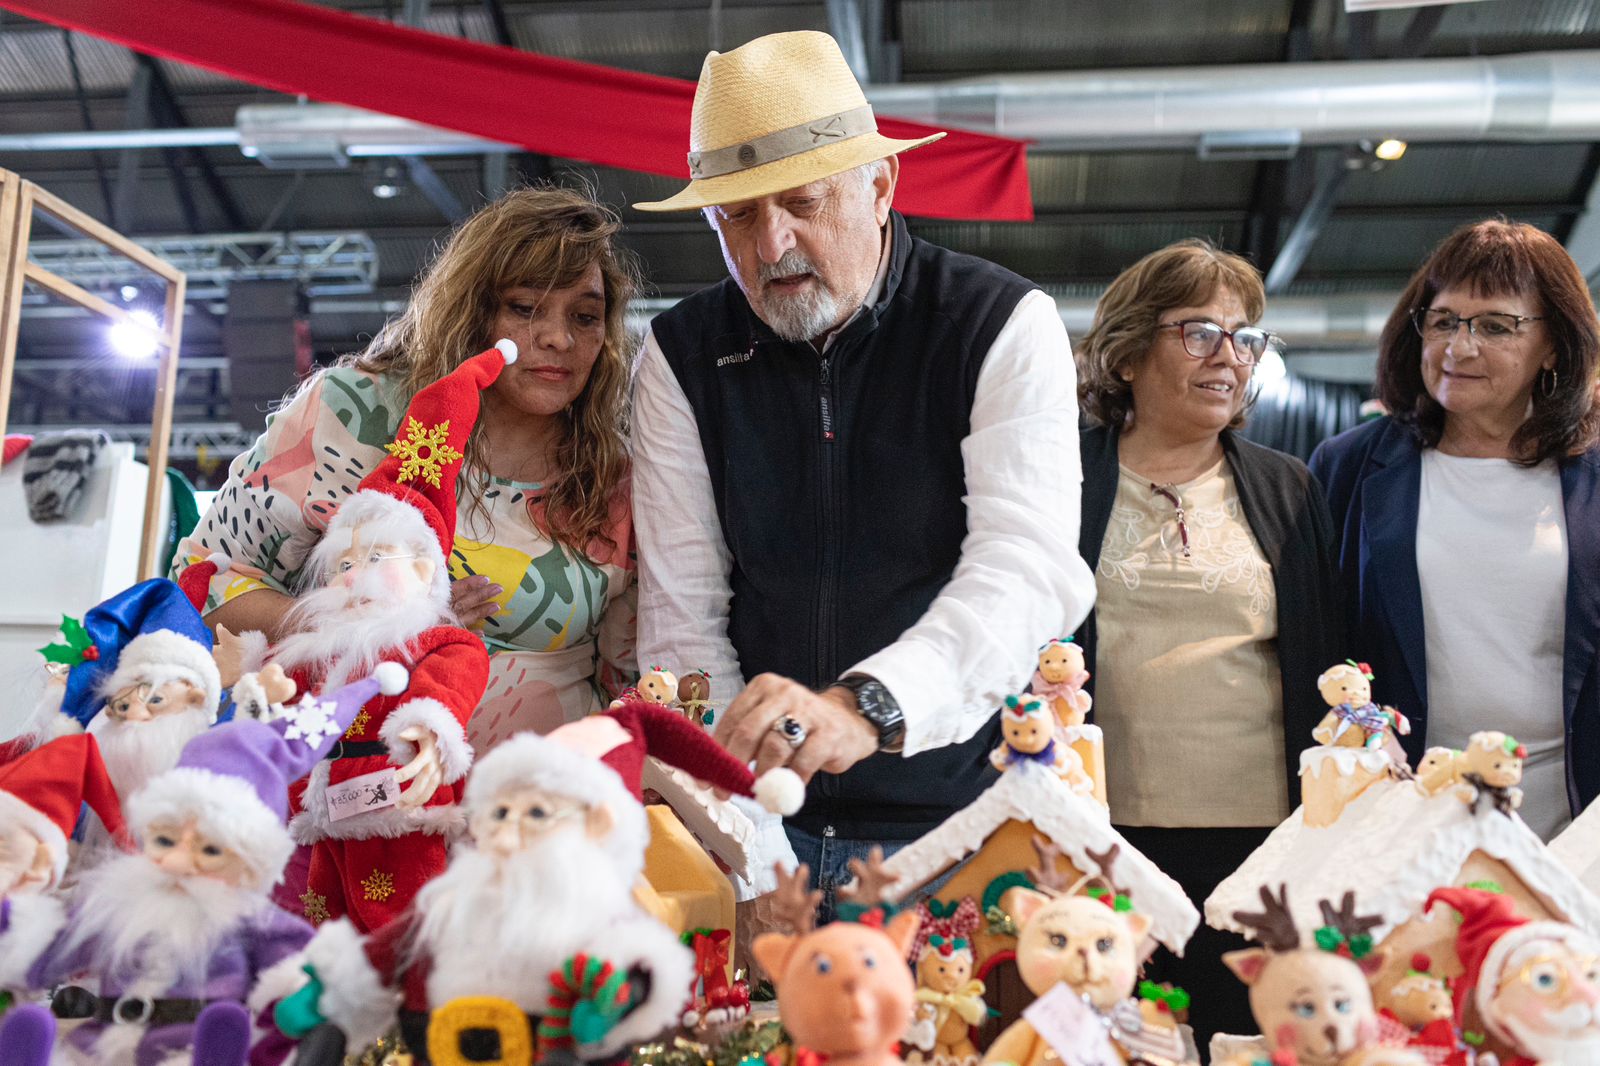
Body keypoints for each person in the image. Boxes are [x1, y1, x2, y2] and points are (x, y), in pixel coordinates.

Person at [629, 30, 1095, 914]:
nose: (772, 244)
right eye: (737, 217)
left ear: (880, 187)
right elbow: (682, 615)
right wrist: (746, 834)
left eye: (802, 203)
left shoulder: (999, 325)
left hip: (960, 823)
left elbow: (1026, 567)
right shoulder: (679, 356)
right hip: (761, 831)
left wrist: (867, 707)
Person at [174, 186, 640, 749]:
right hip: (341, 780)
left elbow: (630, 679)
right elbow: (202, 579)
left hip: (539, 794)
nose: (559, 338)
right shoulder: (351, 413)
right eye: (524, 308)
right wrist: (366, 624)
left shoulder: (617, 477)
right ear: (472, 311)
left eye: (585, 317)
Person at [1072, 239, 1344, 1045]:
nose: (1230, 356)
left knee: (1249, 1041)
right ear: (1127, 354)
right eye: (1199, 333)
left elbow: (1330, 656)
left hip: (1264, 846)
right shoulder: (1062, 477)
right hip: (1105, 838)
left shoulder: (1287, 485)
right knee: (1122, 1044)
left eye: (1245, 337)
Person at [1310, 219, 1600, 840]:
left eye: (1495, 326)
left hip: (1574, 814)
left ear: (1554, 345)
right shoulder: (1349, 465)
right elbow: (1318, 636)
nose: (1458, 348)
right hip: (1400, 807)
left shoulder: (1592, 474)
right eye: (1443, 321)